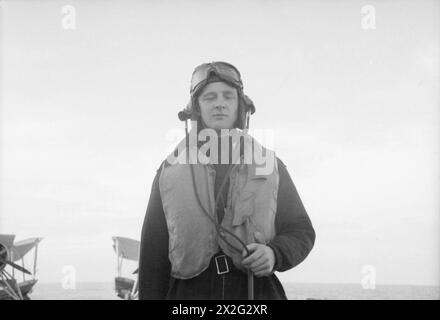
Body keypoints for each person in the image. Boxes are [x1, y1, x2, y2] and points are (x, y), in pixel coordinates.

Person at [138, 61, 315, 300]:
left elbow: (301, 231)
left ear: (240, 106)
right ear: (196, 108)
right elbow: (152, 256)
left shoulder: (270, 165)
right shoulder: (169, 171)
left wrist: (275, 254)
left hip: (256, 293)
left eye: (228, 96)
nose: (220, 103)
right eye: (209, 97)